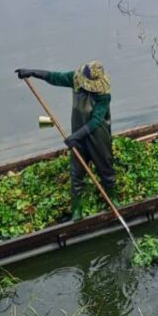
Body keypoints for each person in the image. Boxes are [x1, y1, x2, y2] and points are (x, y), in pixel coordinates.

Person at [16, 61, 114, 221]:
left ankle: (112, 200)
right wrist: (32, 72)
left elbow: (96, 121)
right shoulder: (75, 79)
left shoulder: (104, 95)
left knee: (105, 168)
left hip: (98, 136)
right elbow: (54, 77)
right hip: (78, 133)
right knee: (76, 172)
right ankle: (77, 210)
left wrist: (74, 136)